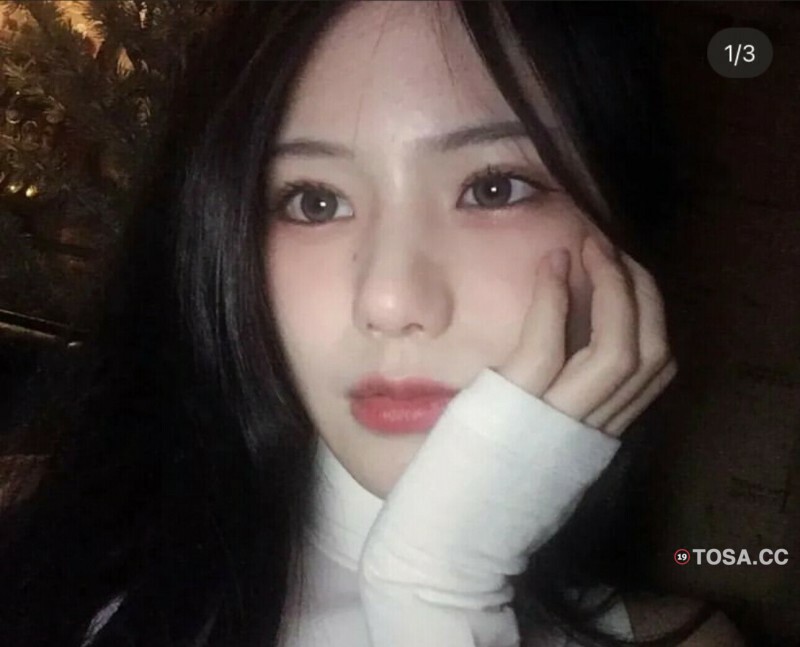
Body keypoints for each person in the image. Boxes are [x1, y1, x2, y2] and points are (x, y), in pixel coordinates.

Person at [0, 2, 747, 646]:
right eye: (315, 201)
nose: (389, 300)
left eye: (495, 188)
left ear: (623, 227)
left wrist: (437, 591)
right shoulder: (43, 552)